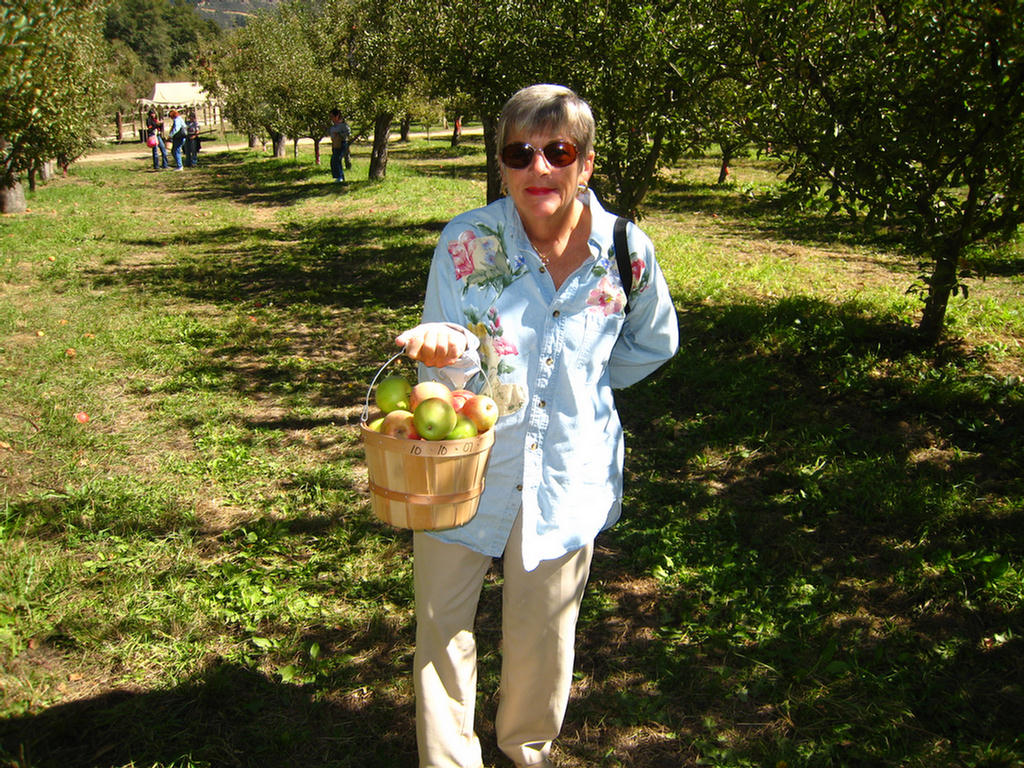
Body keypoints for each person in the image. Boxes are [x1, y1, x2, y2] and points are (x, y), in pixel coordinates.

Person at [395, 84, 679, 768]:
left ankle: (526, 750)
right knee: (440, 625)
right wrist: (443, 357)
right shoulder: (466, 242)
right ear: (500, 164)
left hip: (569, 470)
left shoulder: (624, 251)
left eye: (559, 151)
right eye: (520, 153)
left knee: (543, 632)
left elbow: (655, 341)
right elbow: (446, 361)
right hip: (467, 463)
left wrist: (586, 387)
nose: (539, 170)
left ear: (585, 164)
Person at [328, 109, 351, 181]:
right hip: (335, 144)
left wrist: (339, 134)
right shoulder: (333, 126)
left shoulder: (343, 126)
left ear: (337, 116)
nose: (331, 118)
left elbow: (348, 133)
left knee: (336, 159)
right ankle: (339, 177)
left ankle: (339, 177)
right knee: (334, 160)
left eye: (332, 116)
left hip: (342, 144)